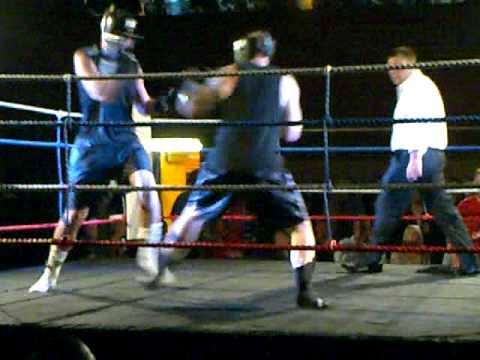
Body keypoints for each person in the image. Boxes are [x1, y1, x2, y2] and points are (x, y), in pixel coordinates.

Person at [145, 31, 326, 309]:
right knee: (300, 226)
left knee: (192, 216)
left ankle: (158, 267)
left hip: (225, 160)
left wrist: (188, 90)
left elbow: (195, 105)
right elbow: (292, 134)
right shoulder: (287, 81)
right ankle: (305, 291)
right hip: (264, 163)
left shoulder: (231, 72)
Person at [29, 5, 170, 293]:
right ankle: (50, 272)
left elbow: (145, 104)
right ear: (116, 36)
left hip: (125, 139)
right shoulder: (83, 56)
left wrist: (170, 101)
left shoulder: (132, 64)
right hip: (91, 144)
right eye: (127, 36)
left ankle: (150, 259)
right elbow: (99, 91)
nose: (131, 42)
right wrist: (119, 69)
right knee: (73, 218)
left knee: (148, 188)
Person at [345, 46, 478, 275]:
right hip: (430, 155)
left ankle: (372, 258)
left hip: (415, 154)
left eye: (396, 67)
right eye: (389, 68)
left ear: (409, 64)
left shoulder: (416, 88)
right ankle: (469, 263)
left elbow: (418, 122)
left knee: (388, 203)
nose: (391, 72)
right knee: (443, 210)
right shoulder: (417, 85)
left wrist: (415, 158)